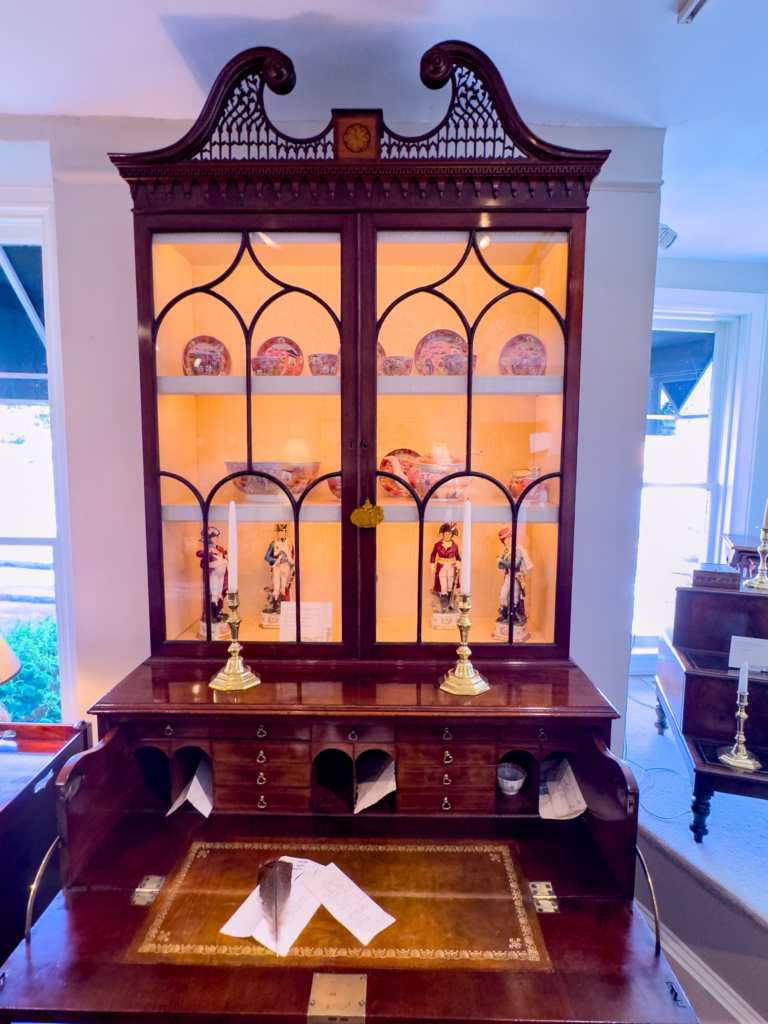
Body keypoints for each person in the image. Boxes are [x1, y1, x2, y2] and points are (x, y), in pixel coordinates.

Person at [496, 526, 533, 632]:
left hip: (516, 577)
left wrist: (503, 562)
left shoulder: (518, 550)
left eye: (509, 538)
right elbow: (500, 566)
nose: (508, 541)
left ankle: (514, 615)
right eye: (505, 540)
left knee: (515, 597)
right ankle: (505, 613)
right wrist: (502, 563)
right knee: (503, 595)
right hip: (508, 577)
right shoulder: (505, 551)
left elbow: (515, 563)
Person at [196, 527, 229, 636]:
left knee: (219, 592)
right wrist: (209, 551)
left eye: (216, 537)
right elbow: (199, 553)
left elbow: (223, 555)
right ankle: (214, 613)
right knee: (214, 593)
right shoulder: (207, 549)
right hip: (213, 573)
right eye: (214, 537)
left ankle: (219, 611)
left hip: (221, 573)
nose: (216, 539)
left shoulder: (220, 549)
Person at [430, 522, 461, 613]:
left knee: (450, 586)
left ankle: (449, 603)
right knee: (443, 586)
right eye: (446, 534)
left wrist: (458, 564)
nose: (447, 536)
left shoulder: (454, 546)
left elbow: (458, 557)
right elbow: (432, 555)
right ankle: (443, 605)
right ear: (443, 534)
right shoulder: (437, 545)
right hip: (441, 566)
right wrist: (432, 566)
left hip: (451, 566)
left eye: (449, 534)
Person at [264, 523, 295, 614]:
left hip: (286, 566)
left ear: (285, 532)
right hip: (277, 567)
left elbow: (292, 557)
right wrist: (275, 560)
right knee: (276, 588)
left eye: (282, 531)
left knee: (283, 587)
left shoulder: (289, 544)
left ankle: (282, 606)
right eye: (279, 531)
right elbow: (267, 557)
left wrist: (293, 567)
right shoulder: (273, 544)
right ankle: (275, 606)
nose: (281, 533)